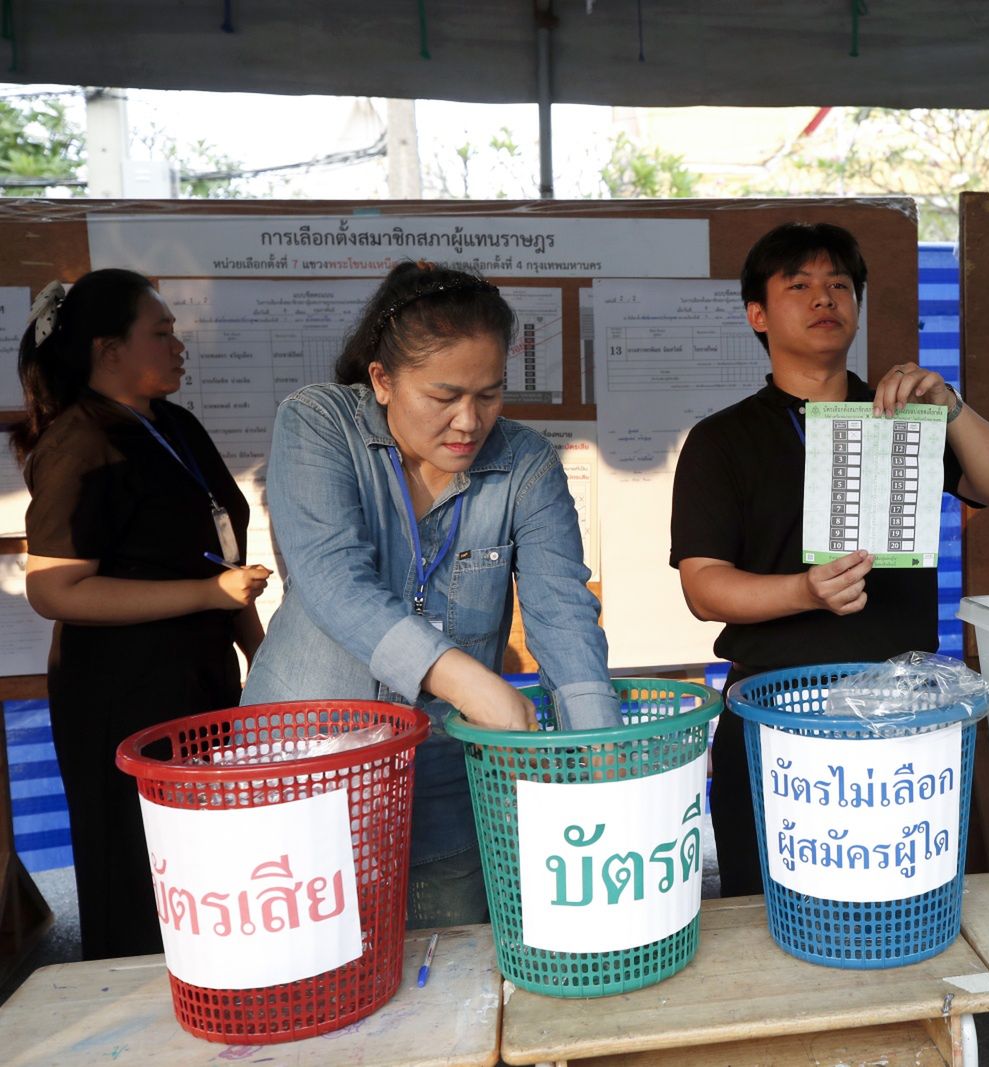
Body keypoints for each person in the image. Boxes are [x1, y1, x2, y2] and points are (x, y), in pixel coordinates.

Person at [241, 261, 618, 928]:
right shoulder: (319, 423)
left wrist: (601, 755)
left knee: (450, 969)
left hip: (447, 765)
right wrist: (467, 680)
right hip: (308, 753)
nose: (468, 422)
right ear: (382, 380)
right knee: (315, 957)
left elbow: (561, 607)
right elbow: (332, 578)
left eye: (490, 394)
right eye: (443, 396)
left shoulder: (525, 463)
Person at [670, 221, 989, 898]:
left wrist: (951, 405)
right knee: (770, 911)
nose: (824, 297)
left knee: (901, 905)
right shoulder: (722, 440)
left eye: (840, 284)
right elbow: (705, 587)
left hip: (900, 718)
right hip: (774, 719)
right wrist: (805, 592)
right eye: (799, 285)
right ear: (757, 313)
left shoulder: (905, 414)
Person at [14, 269, 272, 960]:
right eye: (160, 332)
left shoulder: (174, 423)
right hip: (122, 697)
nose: (178, 343)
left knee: (207, 871)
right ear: (108, 350)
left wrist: (259, 653)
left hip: (199, 685)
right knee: (138, 880)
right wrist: (207, 597)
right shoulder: (78, 441)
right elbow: (56, 590)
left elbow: (222, 558)